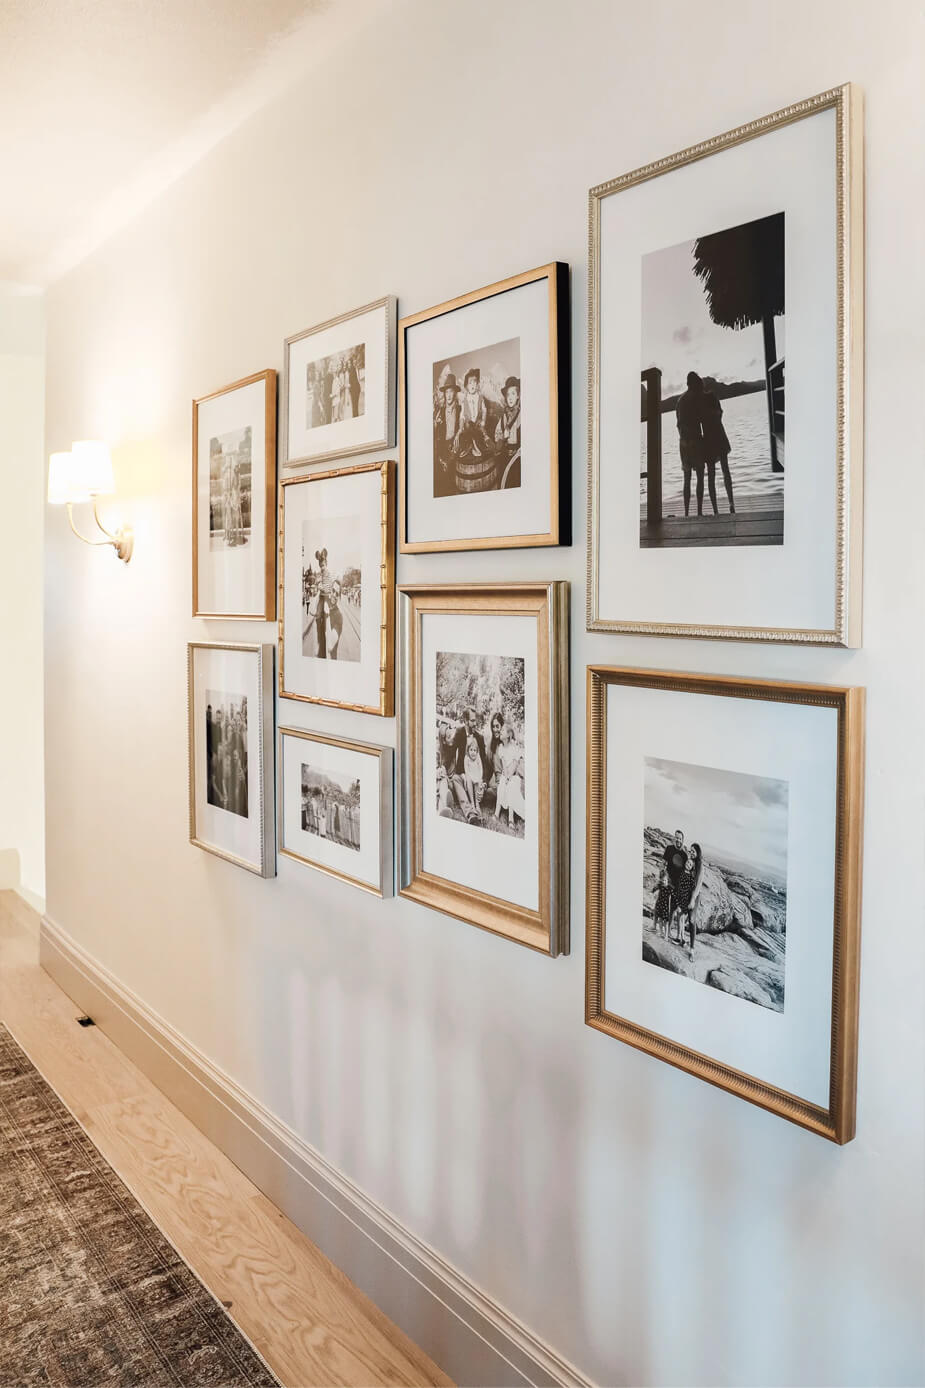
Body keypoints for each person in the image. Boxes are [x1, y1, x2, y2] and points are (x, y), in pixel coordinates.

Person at [455, 367, 496, 492]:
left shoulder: (480, 398)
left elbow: (484, 410)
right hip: (468, 425)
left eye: (474, 382)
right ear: (466, 386)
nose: (472, 385)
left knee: (478, 435)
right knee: (465, 436)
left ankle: (478, 448)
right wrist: (460, 428)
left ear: (477, 384)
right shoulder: (465, 399)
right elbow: (462, 415)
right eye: (470, 383)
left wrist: (483, 420)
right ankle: (468, 448)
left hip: (477, 424)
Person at [437, 718, 480, 823]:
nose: (452, 738)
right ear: (443, 741)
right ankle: (443, 808)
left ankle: (470, 813)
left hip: (457, 784)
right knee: (443, 781)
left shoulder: (455, 745)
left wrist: (464, 775)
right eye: (448, 737)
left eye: (451, 734)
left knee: (456, 778)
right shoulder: (440, 752)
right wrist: (440, 771)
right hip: (446, 784)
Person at [676, 372, 705, 518]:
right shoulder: (696, 398)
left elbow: (678, 424)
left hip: (683, 442)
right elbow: (701, 419)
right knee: (700, 475)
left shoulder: (680, 400)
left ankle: (687, 513)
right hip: (695, 440)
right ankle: (699, 512)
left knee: (686, 478)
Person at [702, 389, 735, 515]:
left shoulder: (703, 400)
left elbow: (718, 413)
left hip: (712, 438)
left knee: (713, 474)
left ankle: (720, 508)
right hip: (717, 436)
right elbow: (720, 413)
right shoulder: (709, 398)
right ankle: (728, 504)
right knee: (722, 471)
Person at [433, 374, 462, 497]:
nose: (449, 395)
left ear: (455, 393)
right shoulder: (440, 411)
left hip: (454, 447)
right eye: (447, 392)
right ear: (444, 394)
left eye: (451, 392)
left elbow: (462, 429)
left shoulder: (460, 410)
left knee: (452, 480)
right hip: (442, 448)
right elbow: (436, 434)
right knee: (441, 481)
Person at [676, 843, 705, 958]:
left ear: (698, 852)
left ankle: (692, 949)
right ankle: (681, 939)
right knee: (680, 914)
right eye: (691, 850)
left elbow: (698, 885)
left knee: (692, 920)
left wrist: (692, 899)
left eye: (694, 851)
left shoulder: (700, 866)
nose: (691, 852)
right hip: (685, 894)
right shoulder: (689, 862)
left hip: (694, 896)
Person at [494, 376, 522, 489]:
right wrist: (502, 439)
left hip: (519, 461)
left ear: (518, 396)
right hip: (505, 459)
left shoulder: (522, 416)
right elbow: (497, 439)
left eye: (513, 394)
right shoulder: (504, 417)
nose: (510, 398)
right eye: (508, 395)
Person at [495, 724, 525, 828]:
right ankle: (496, 813)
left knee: (511, 786)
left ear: (509, 735)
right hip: (505, 774)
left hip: (514, 776)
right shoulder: (501, 747)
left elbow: (515, 764)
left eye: (502, 730)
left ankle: (511, 819)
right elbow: (504, 765)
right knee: (501, 786)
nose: (500, 731)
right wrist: (506, 777)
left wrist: (509, 777)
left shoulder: (514, 748)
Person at [464, 734, 484, 811]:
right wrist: (468, 777)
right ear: (468, 750)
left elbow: (481, 768)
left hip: (477, 775)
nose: (473, 752)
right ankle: (472, 803)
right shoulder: (466, 758)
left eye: (475, 750)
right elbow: (466, 770)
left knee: (477, 782)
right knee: (469, 781)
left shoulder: (478, 757)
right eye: (471, 750)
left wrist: (480, 778)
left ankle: (477, 804)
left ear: (477, 751)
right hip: (469, 776)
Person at [347, 351, 361, 418]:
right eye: (348, 363)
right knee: (355, 406)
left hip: (354, 390)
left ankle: (355, 417)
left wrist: (349, 387)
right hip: (357, 389)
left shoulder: (352, 370)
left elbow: (351, 383)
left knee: (354, 406)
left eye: (349, 363)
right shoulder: (354, 369)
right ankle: (356, 416)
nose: (349, 364)